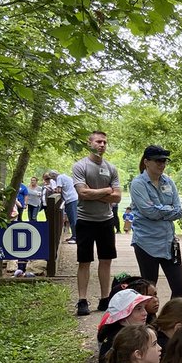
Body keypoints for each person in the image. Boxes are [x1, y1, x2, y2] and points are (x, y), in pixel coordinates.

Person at [72, 131, 122, 317]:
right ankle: (82, 300)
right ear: (90, 143)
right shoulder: (80, 166)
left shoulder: (111, 168)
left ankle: (104, 298)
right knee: (84, 261)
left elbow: (117, 196)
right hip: (85, 220)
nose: (102, 145)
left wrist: (95, 192)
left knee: (106, 260)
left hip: (106, 221)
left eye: (105, 142)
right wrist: (107, 191)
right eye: (99, 141)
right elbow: (82, 194)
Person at [129, 145, 182, 297]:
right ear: (146, 162)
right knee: (149, 290)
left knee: (179, 287)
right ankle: (149, 320)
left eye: (164, 161)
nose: (162, 164)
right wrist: (168, 209)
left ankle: (174, 320)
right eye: (158, 161)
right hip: (146, 243)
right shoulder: (138, 184)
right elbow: (149, 211)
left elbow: (179, 211)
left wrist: (160, 209)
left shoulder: (169, 182)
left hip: (169, 242)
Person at [97, 289, 150, 363]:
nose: (145, 313)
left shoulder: (124, 333)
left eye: (144, 307)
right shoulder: (124, 342)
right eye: (138, 309)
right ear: (123, 316)